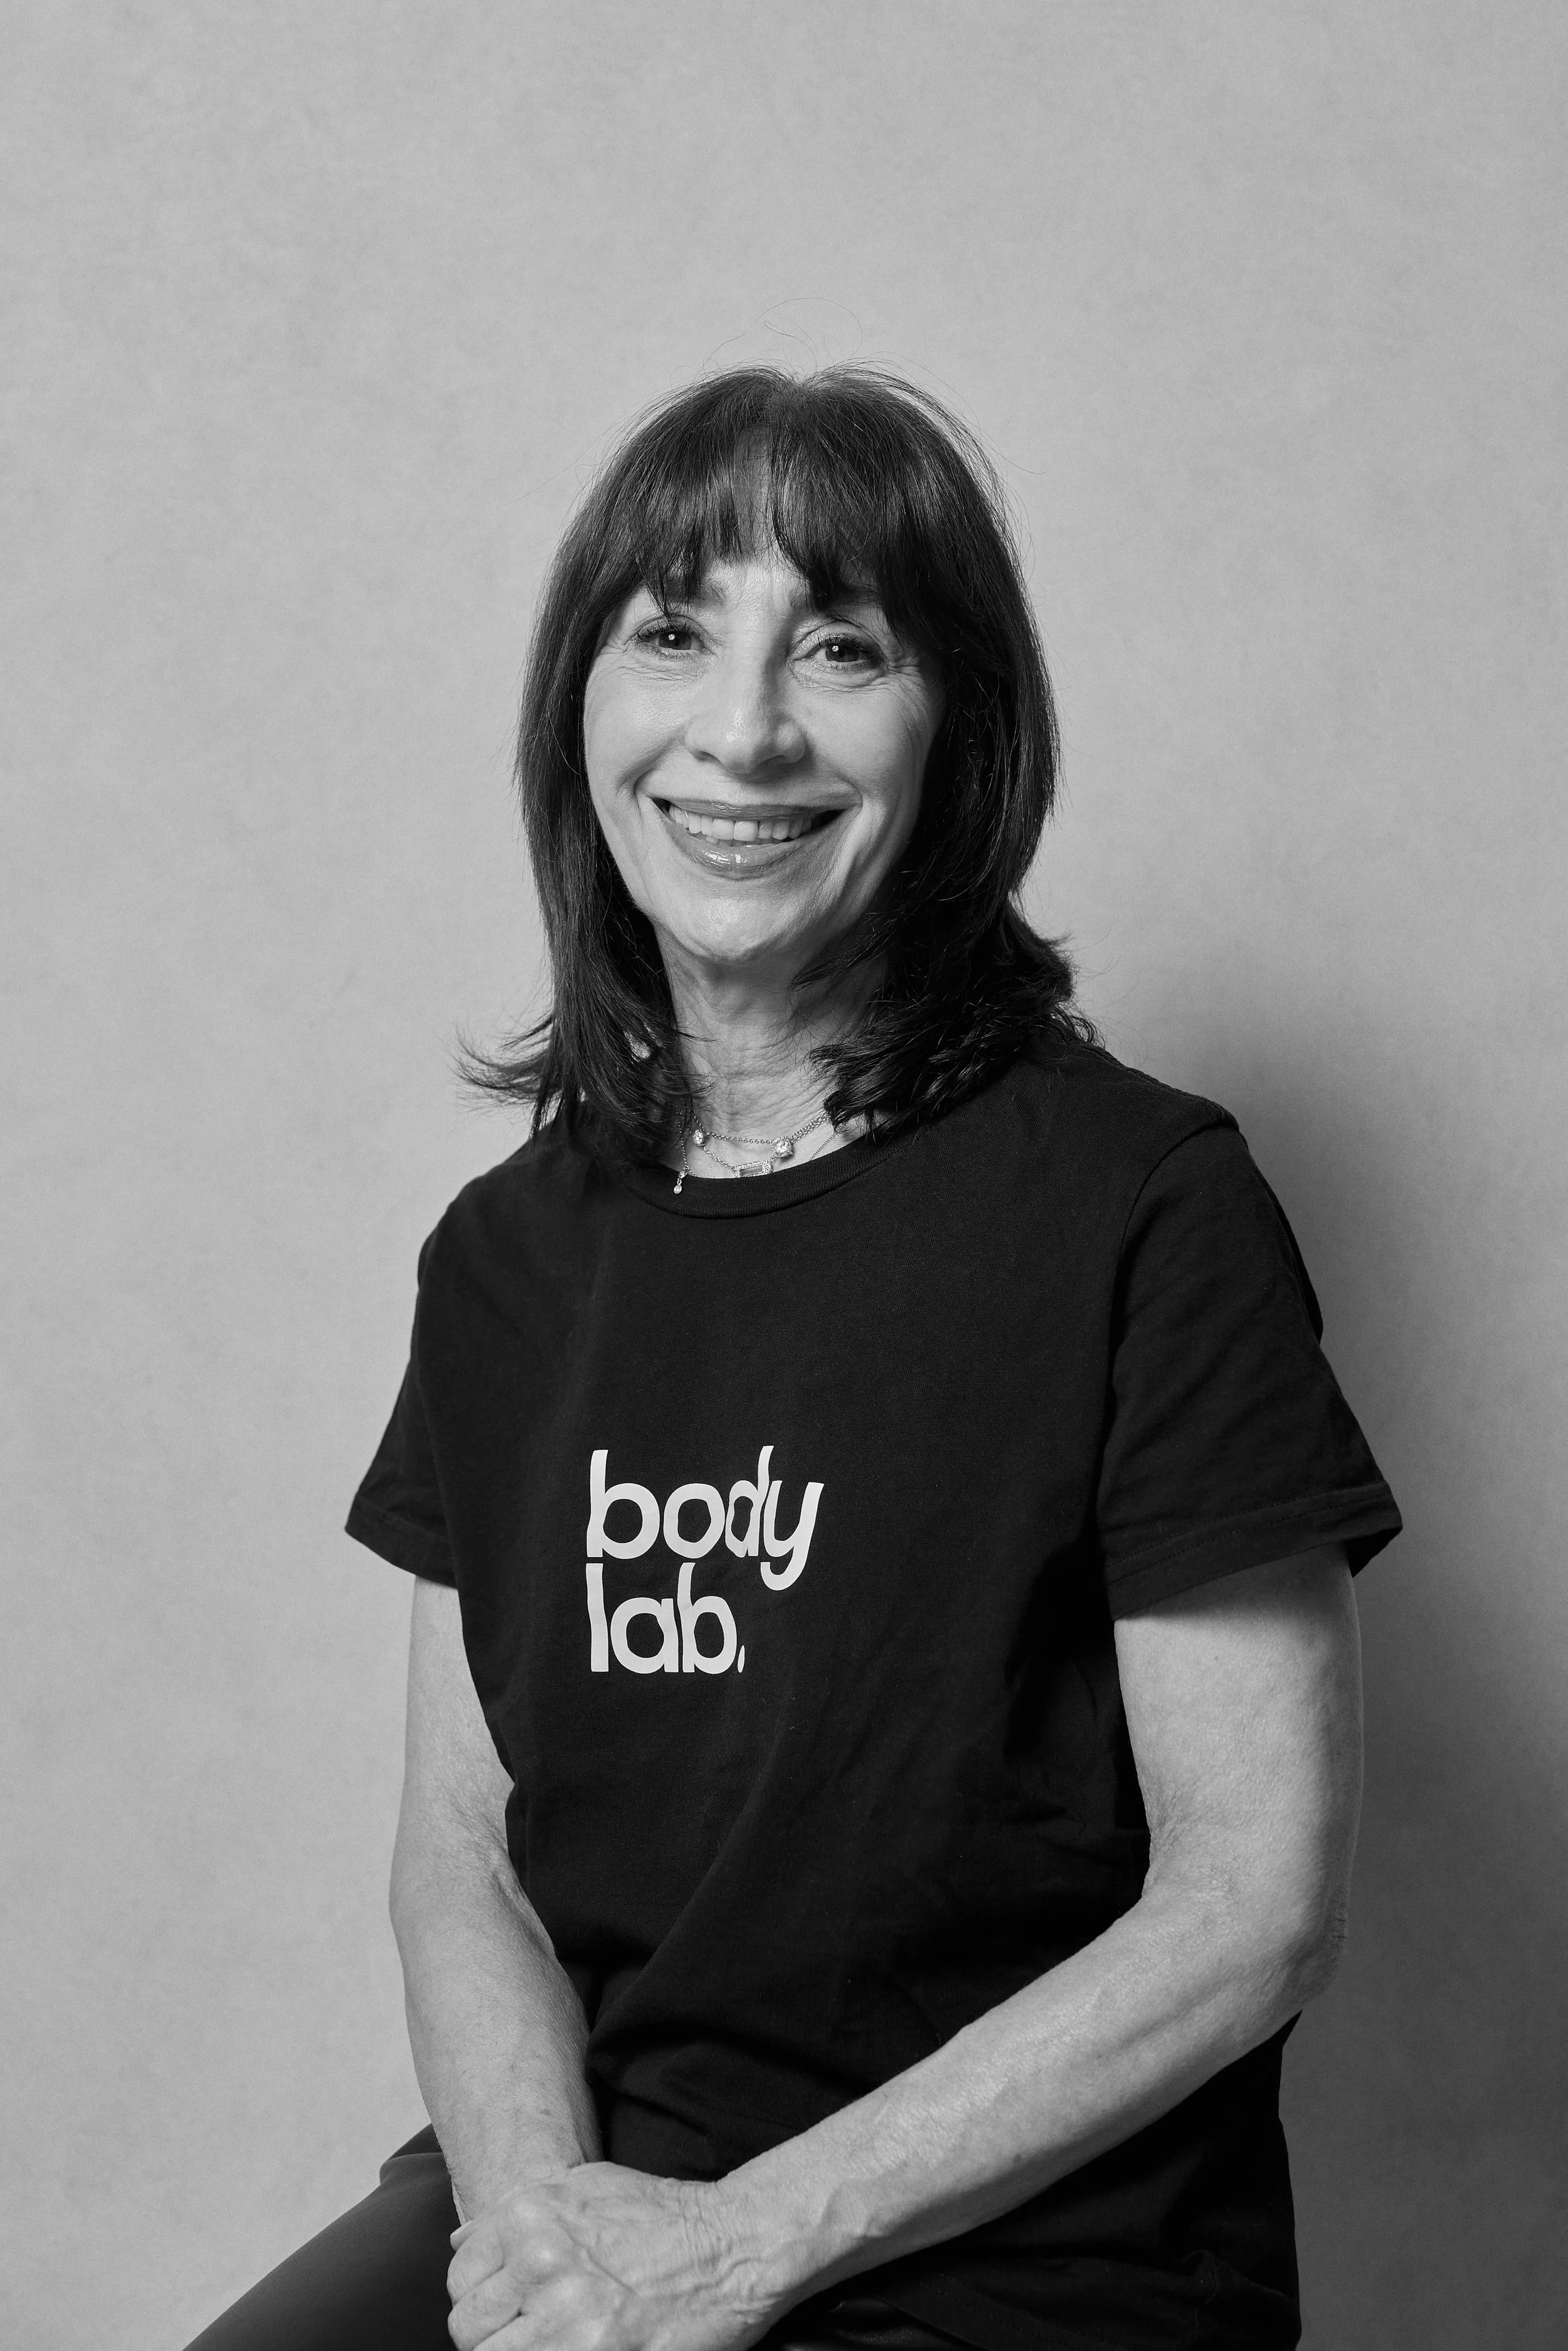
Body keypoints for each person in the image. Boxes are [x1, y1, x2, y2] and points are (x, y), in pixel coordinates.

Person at [186, 366, 1401, 2351]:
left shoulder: (1144, 1207)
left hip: (1021, 2239)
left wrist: (742, 2245)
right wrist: (542, 2237)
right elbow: (459, 1859)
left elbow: (1251, 1904)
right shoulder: (503, 1257)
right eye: (671, 632)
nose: (741, 727)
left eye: (837, 645)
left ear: (959, 736)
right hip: (596, 2177)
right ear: (578, 707)